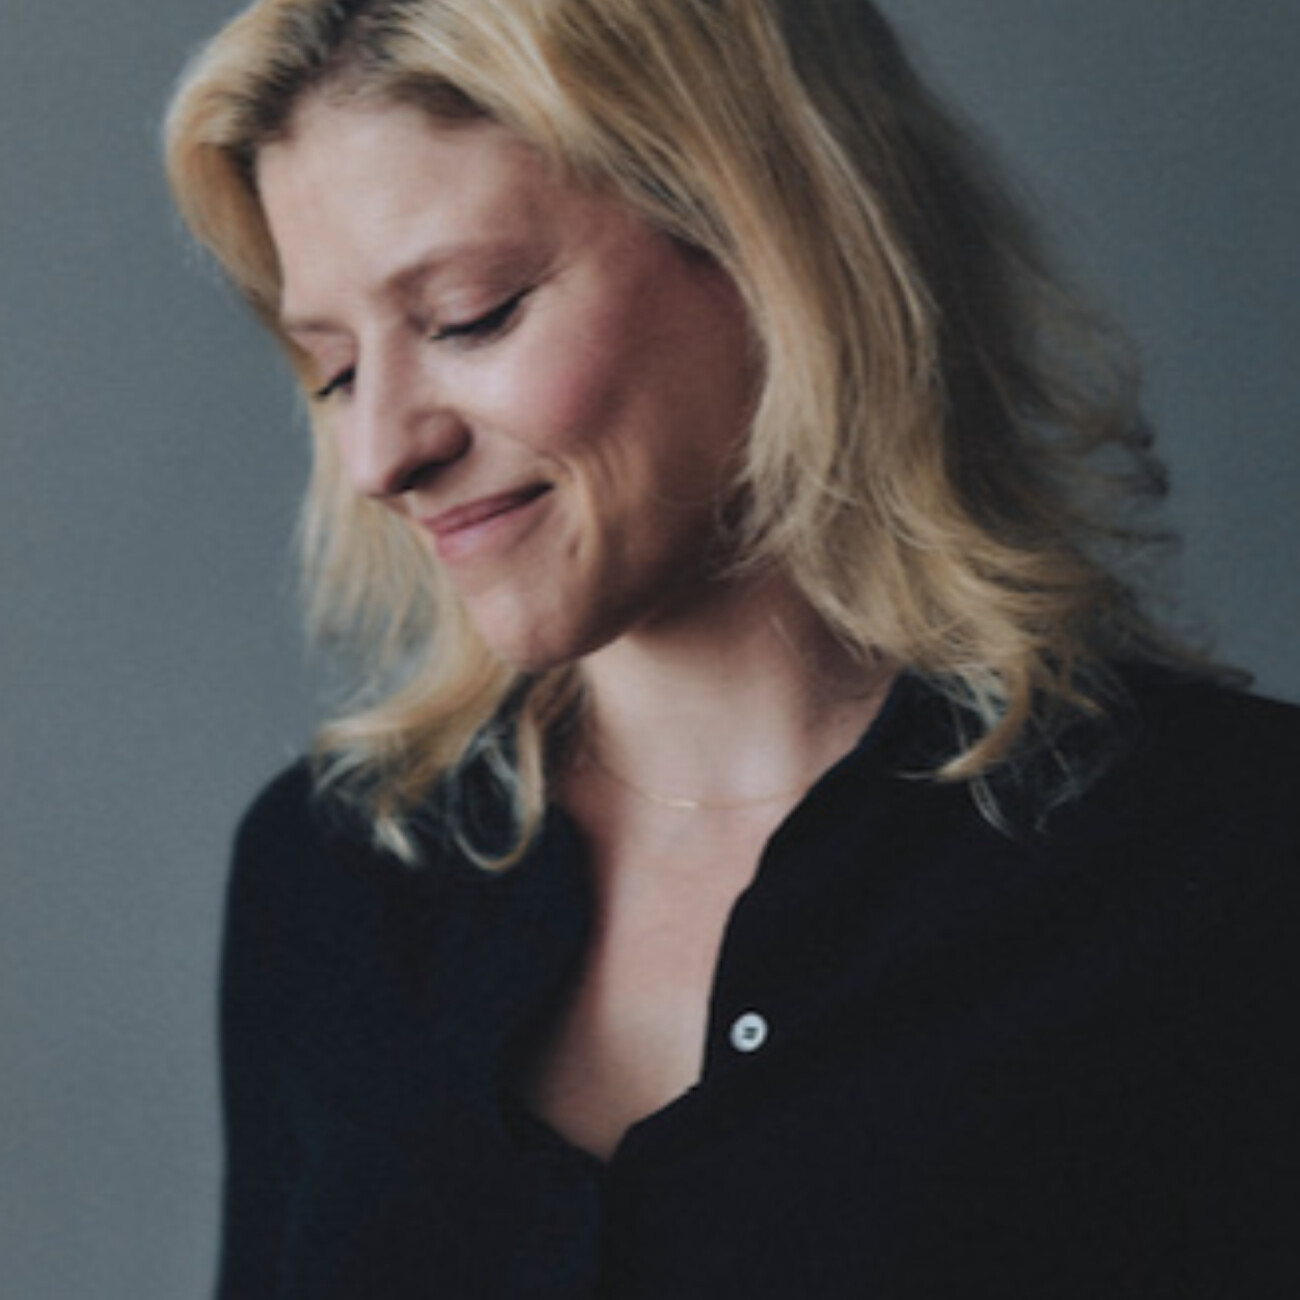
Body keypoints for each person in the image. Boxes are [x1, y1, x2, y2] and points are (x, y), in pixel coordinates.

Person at [164, 1, 1299, 1296]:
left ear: (767, 239)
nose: (379, 455)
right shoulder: (332, 875)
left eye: (470, 315)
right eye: (333, 369)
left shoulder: (1233, 855)